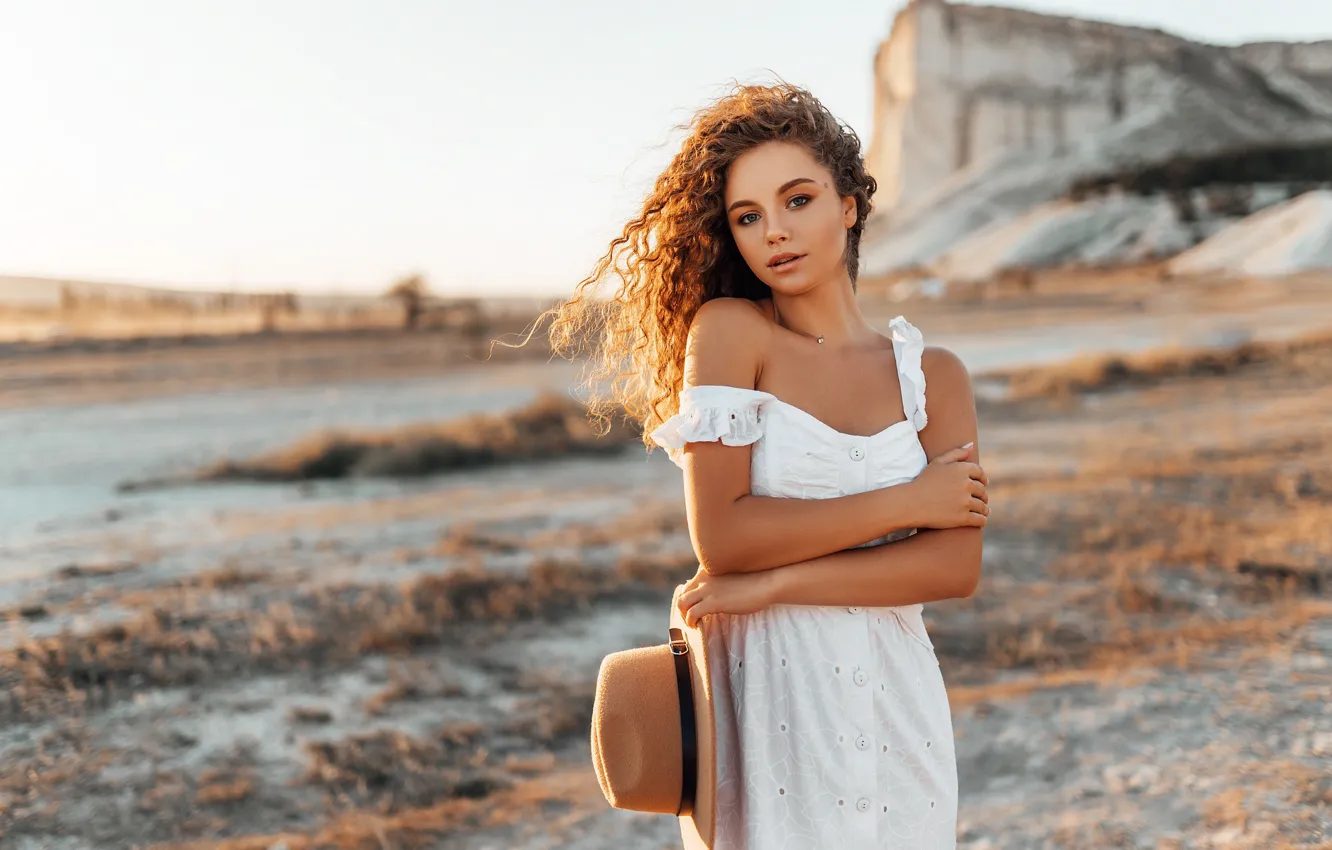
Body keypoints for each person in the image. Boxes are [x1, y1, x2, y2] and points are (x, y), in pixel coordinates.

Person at [549, 80, 989, 850]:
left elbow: (952, 568)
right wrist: (908, 502)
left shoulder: (935, 378)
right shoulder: (731, 335)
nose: (773, 233)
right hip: (770, 695)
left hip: (898, 703)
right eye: (747, 216)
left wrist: (780, 583)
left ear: (849, 204)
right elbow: (724, 538)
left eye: (798, 200)